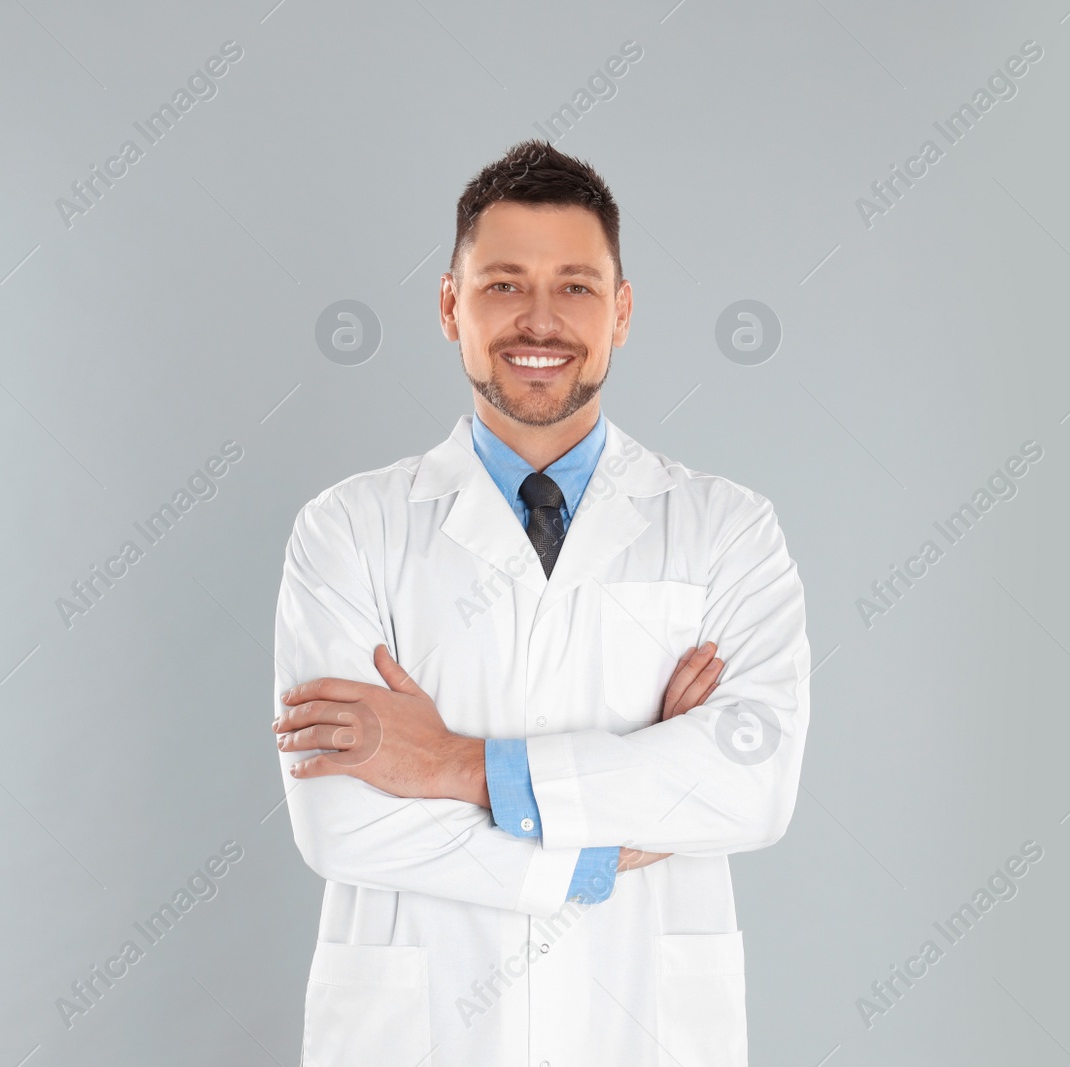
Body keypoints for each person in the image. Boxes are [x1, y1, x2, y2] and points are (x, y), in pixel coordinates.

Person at [272, 139, 810, 1066]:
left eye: (575, 286)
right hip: (425, 1027)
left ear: (622, 311)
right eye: (503, 284)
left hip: (640, 1019)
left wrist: (450, 762)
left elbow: (752, 785)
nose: (540, 319)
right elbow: (341, 821)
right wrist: (620, 826)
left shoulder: (727, 528)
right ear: (451, 306)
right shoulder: (348, 530)